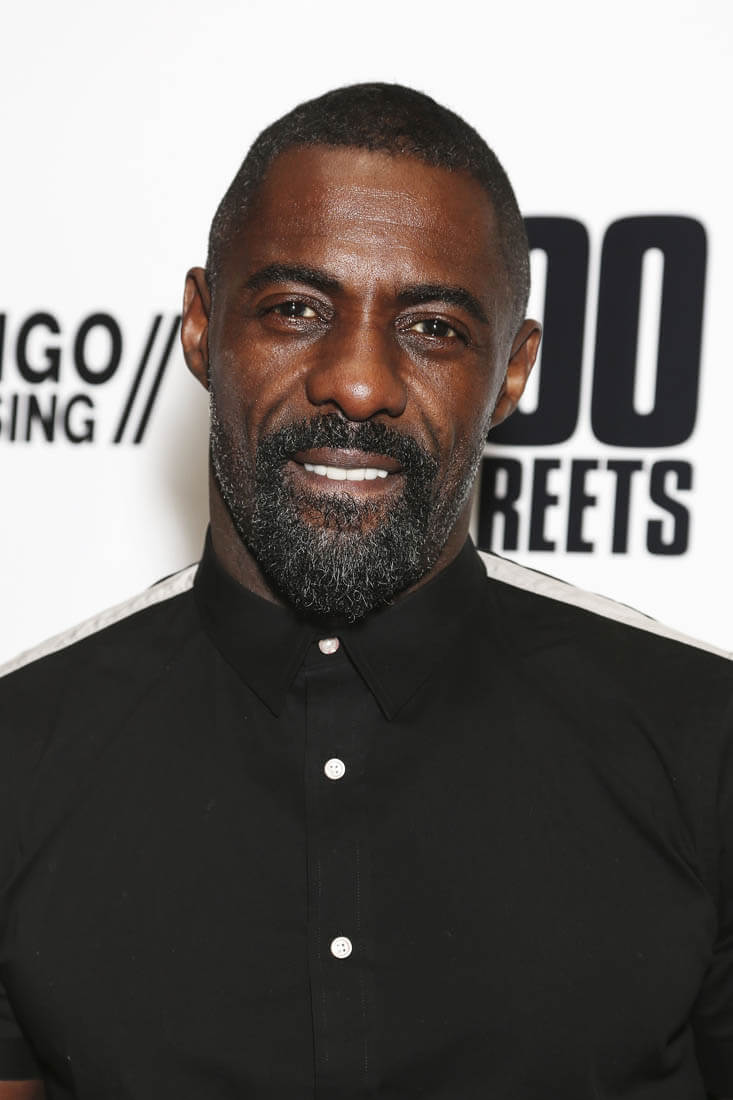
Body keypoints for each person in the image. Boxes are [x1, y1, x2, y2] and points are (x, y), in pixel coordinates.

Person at [0, 83, 731, 1100]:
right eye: (296, 310)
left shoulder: (701, 740)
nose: (356, 381)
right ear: (201, 327)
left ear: (512, 372)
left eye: (432, 327)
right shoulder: (21, 752)